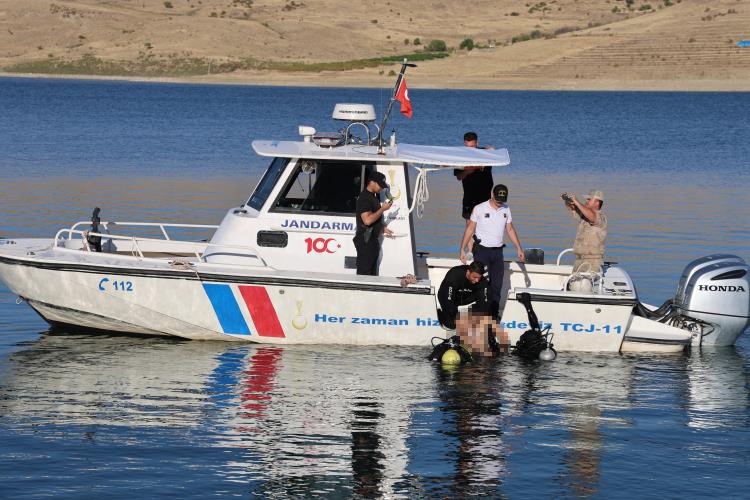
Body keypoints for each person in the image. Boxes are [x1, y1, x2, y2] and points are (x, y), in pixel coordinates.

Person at [459, 184, 525, 318]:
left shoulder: (506, 209)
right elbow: (470, 229)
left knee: (497, 285)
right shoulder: (479, 208)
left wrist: (519, 248)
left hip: (497, 253)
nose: (500, 203)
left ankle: (493, 315)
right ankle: (478, 314)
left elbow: (510, 229)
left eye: (502, 200)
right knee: (481, 283)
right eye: (497, 200)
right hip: (481, 251)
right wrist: (462, 249)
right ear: (492, 194)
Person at [437, 261, 509, 356]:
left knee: (488, 300)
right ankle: (442, 315)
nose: (476, 280)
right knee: (450, 323)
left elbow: (486, 304)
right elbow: (448, 300)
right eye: (474, 277)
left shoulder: (481, 281)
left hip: (467, 298)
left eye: (479, 278)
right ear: (468, 272)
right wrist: (456, 318)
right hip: (449, 297)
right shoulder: (454, 274)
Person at [353, 171, 394, 275]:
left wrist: (381, 227)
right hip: (365, 242)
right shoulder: (364, 198)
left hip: (371, 242)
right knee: (364, 275)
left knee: (371, 275)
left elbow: (372, 220)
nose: (381, 188)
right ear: (372, 182)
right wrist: (382, 209)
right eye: (380, 185)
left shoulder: (373, 197)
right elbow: (367, 220)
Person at [561, 189, 608, 273]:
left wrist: (576, 201)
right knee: (573, 285)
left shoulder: (600, 217)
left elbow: (592, 216)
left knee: (584, 285)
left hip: (592, 261)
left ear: (597, 202)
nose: (586, 201)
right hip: (579, 260)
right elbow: (573, 208)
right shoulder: (585, 214)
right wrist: (567, 200)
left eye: (589, 199)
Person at [454, 132, 494, 225]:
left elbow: (493, 150)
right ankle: (470, 240)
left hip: (485, 197)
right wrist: (467, 171)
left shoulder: (485, 153)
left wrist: (490, 149)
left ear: (477, 143)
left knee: (485, 225)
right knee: (470, 225)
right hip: (469, 196)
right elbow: (459, 177)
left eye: (472, 146)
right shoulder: (460, 157)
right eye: (468, 147)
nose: (470, 149)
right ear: (464, 143)